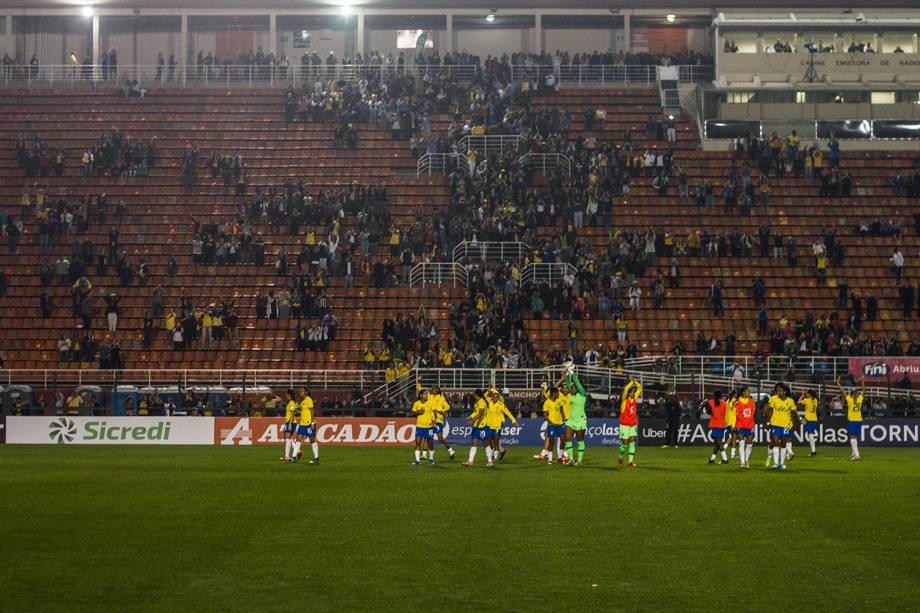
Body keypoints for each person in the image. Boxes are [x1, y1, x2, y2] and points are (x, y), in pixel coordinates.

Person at [765, 383, 798, 470]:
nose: (778, 393)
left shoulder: (790, 401)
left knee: (783, 444)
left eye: (780, 391)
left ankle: (782, 464)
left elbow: (793, 413)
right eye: (777, 391)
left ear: (785, 392)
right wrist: (768, 422)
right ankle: (775, 464)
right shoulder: (773, 399)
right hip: (775, 424)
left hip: (786, 425)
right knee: (775, 444)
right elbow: (769, 411)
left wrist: (794, 423)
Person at [484, 388, 518, 466]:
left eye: (496, 396)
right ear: (491, 396)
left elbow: (508, 413)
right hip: (489, 425)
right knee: (490, 440)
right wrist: (489, 390)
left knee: (496, 439)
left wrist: (514, 421)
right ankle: (500, 451)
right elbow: (484, 397)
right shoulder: (489, 402)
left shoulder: (500, 404)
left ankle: (495, 455)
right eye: (493, 396)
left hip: (498, 425)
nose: (494, 398)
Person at [562, 370, 588, 465]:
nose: (571, 389)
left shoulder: (582, 394)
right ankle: (571, 459)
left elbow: (576, 382)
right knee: (567, 438)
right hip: (571, 420)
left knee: (580, 440)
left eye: (573, 388)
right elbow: (568, 383)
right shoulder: (572, 395)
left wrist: (572, 371)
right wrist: (568, 374)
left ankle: (580, 460)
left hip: (581, 420)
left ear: (577, 388)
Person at [534, 383, 564, 464]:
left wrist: (564, 419)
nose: (559, 394)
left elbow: (561, 410)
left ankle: (560, 458)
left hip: (560, 424)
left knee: (563, 440)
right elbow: (545, 416)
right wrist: (552, 423)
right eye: (558, 392)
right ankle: (550, 459)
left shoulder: (559, 401)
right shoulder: (547, 402)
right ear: (554, 393)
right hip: (552, 425)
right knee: (551, 442)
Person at [837, 378, 864, 461]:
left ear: (851, 394)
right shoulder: (860, 399)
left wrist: (838, 383)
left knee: (852, 437)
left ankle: (857, 455)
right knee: (855, 437)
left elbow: (842, 391)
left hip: (852, 420)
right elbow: (864, 390)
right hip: (859, 420)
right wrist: (862, 381)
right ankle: (853, 454)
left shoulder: (849, 399)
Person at [617, 378, 642, 468]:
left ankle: (630, 462)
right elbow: (625, 389)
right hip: (624, 425)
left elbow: (640, 388)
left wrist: (636, 382)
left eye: (634, 392)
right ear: (628, 393)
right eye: (632, 392)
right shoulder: (624, 401)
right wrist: (631, 383)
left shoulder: (634, 398)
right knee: (625, 445)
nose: (634, 393)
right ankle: (620, 457)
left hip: (633, 425)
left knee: (632, 443)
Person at [290, 387, 319, 464]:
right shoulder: (301, 401)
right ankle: (293, 457)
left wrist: (312, 423)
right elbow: (297, 411)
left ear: (306, 392)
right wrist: (294, 409)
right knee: (298, 439)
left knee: (312, 440)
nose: (301, 392)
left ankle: (316, 458)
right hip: (302, 424)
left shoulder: (309, 400)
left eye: (302, 391)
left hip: (309, 423)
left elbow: (312, 412)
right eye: (300, 391)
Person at [428, 385, 456, 460]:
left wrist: (442, 411)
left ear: (438, 390)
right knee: (428, 438)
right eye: (432, 388)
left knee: (440, 439)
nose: (433, 389)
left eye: (434, 388)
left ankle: (451, 451)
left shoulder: (441, 397)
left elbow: (448, 407)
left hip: (438, 420)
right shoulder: (429, 397)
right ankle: (429, 457)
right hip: (429, 420)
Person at [463, 390, 490, 467]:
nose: (474, 396)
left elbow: (480, 414)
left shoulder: (482, 402)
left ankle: (490, 460)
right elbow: (476, 412)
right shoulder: (478, 402)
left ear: (477, 395)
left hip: (483, 426)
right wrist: (470, 417)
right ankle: (470, 461)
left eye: (474, 395)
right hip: (476, 426)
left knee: (486, 443)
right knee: (474, 442)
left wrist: (472, 421)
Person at [733, 386, 756, 469]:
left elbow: (753, 413)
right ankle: (742, 462)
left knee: (749, 444)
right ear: (743, 393)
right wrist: (733, 425)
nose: (749, 393)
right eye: (747, 391)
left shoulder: (752, 402)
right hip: (740, 425)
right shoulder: (737, 403)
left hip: (750, 425)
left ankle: (746, 460)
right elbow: (734, 415)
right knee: (741, 443)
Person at [412, 388, 435, 465]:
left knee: (430, 444)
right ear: (421, 395)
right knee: (418, 444)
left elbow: (433, 413)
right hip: (419, 427)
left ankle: (431, 459)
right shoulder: (417, 403)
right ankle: (417, 461)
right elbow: (413, 413)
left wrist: (434, 420)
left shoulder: (430, 403)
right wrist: (418, 412)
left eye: (427, 394)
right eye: (425, 394)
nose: (426, 395)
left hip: (429, 427)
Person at [706, 390, 728, 464]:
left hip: (715, 425)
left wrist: (704, 402)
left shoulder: (711, 402)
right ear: (720, 396)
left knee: (719, 443)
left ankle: (725, 459)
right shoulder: (724, 403)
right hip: (721, 425)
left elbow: (707, 411)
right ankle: (712, 459)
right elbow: (725, 414)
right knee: (717, 444)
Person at [799, 389, 819, 456]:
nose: (806, 394)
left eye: (807, 393)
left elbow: (798, 402)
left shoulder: (806, 400)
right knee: (810, 434)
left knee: (810, 435)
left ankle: (813, 451)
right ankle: (813, 451)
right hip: (814, 419)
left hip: (809, 419)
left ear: (810, 394)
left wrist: (802, 396)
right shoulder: (815, 400)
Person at [280, 389, 298, 462]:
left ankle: (287, 456)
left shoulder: (292, 403)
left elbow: (292, 413)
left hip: (291, 422)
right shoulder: (291, 402)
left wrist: (289, 423)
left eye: (286, 394)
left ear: (289, 395)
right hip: (289, 422)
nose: (285, 396)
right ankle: (298, 451)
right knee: (288, 438)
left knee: (287, 438)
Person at [724, 389, 738, 461]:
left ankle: (723, 449)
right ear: (734, 395)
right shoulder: (734, 401)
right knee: (734, 437)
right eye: (736, 394)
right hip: (733, 422)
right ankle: (732, 454)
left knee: (733, 437)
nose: (737, 395)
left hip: (728, 422)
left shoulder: (728, 401)